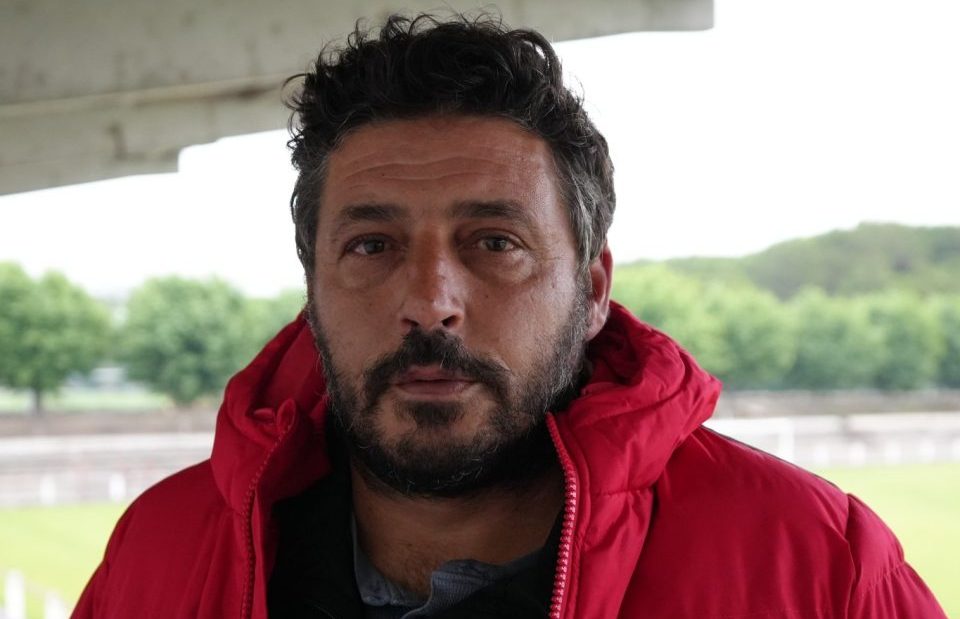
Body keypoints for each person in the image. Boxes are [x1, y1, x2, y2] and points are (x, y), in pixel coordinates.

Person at [75, 13, 946, 619]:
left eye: (495, 243)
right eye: (372, 245)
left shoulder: (819, 565)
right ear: (313, 284)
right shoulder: (159, 554)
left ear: (594, 290)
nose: (430, 302)